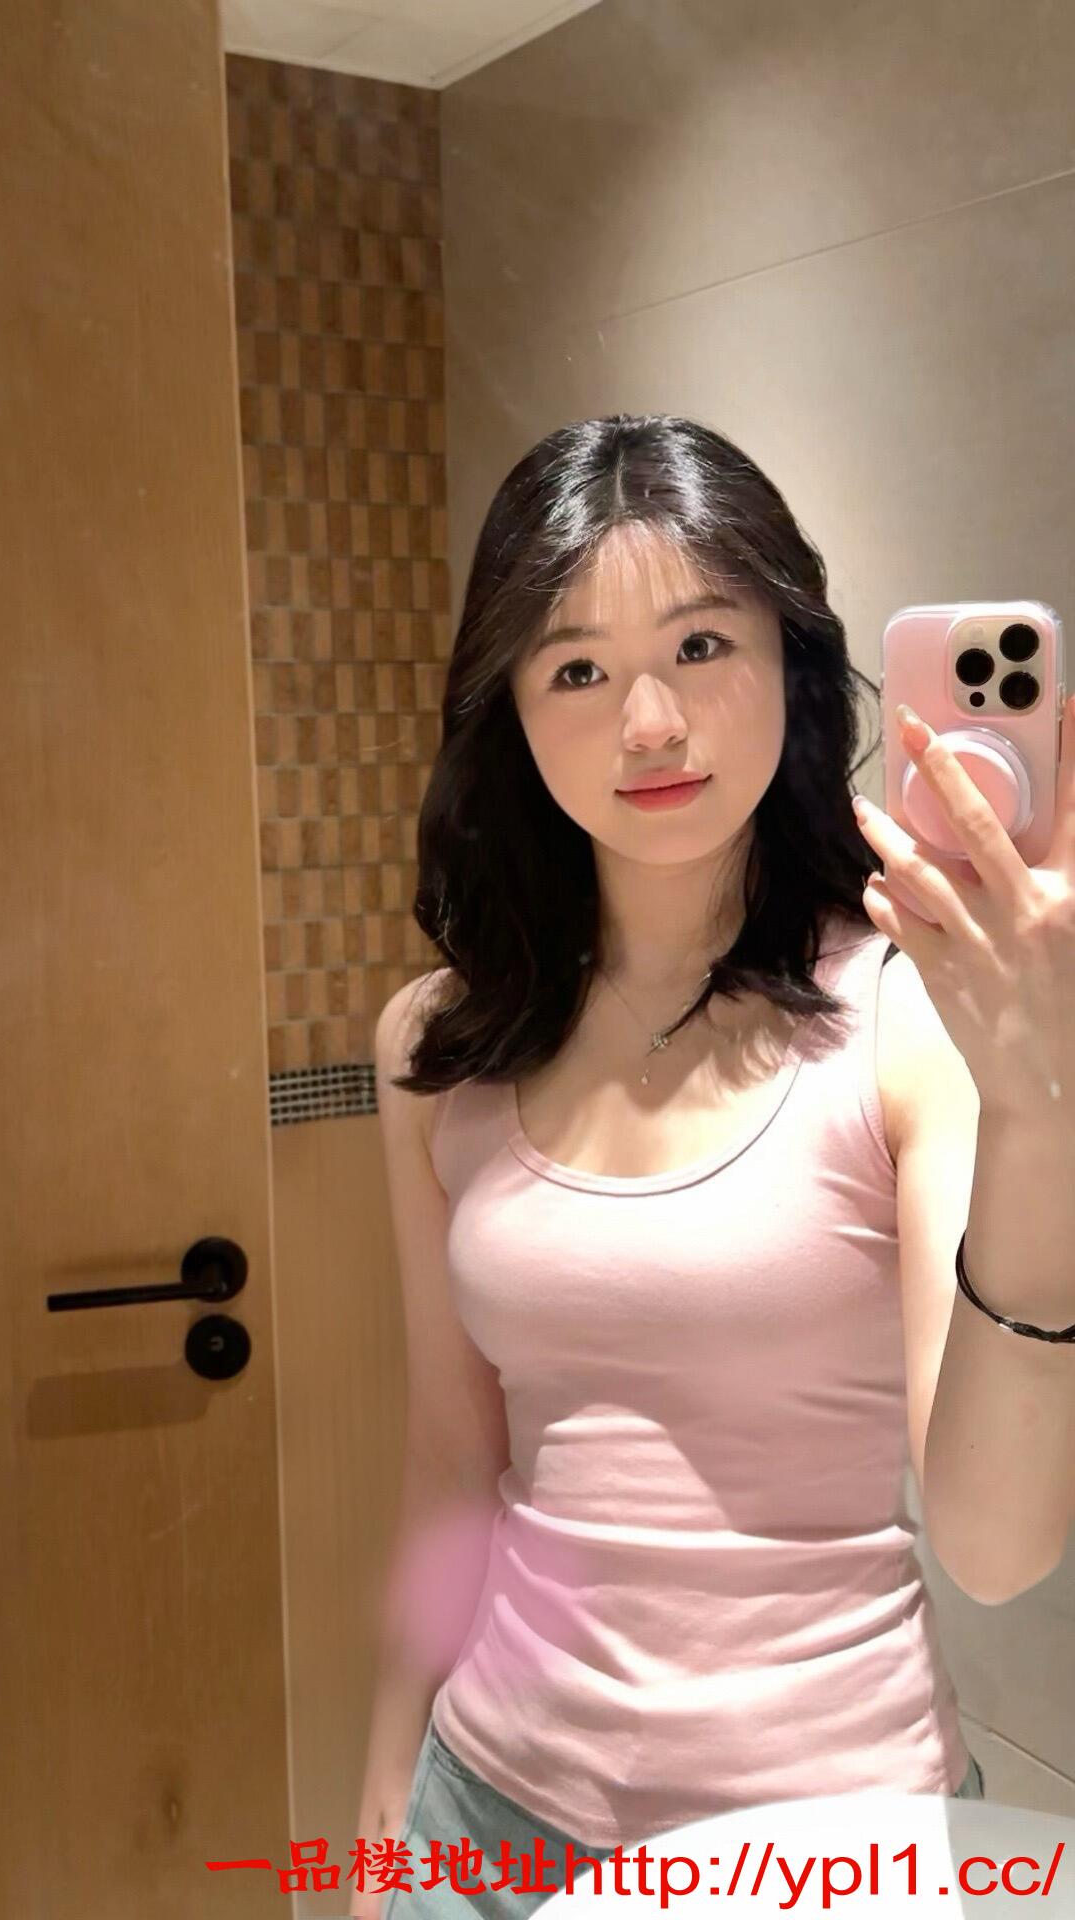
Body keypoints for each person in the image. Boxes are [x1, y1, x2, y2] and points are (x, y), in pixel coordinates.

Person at [350, 415, 986, 1920]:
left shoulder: (904, 1020)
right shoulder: (438, 1045)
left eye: (702, 646)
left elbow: (989, 1522)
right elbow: (451, 1459)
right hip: (479, 1822)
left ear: (791, 661)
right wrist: (386, 1785)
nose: (649, 722)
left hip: (830, 1851)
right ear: (510, 710)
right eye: (576, 669)